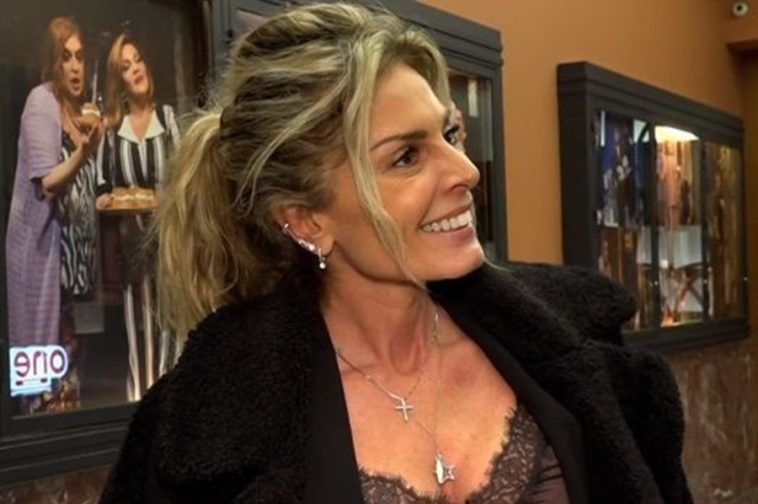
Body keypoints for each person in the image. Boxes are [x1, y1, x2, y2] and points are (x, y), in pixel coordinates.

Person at [100, 4, 691, 503]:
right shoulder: (198, 429)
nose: (465, 171)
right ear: (305, 219)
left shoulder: (579, 348)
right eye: (406, 157)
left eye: (448, 135)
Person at [6, 16, 102, 410]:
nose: (76, 66)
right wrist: (83, 153)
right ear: (53, 62)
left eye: (80, 56)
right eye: (66, 57)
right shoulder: (40, 102)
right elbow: (46, 183)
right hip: (46, 264)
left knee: (74, 380)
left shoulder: (79, 112)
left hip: (78, 274)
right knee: (46, 388)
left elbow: (83, 185)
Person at [97, 33, 181, 401]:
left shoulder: (168, 118)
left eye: (138, 60)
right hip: (132, 254)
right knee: (139, 341)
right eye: (125, 67)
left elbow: (184, 178)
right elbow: (102, 183)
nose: (136, 69)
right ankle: (142, 411)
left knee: (172, 339)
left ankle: (171, 411)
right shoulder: (113, 132)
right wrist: (104, 198)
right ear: (119, 81)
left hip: (170, 250)